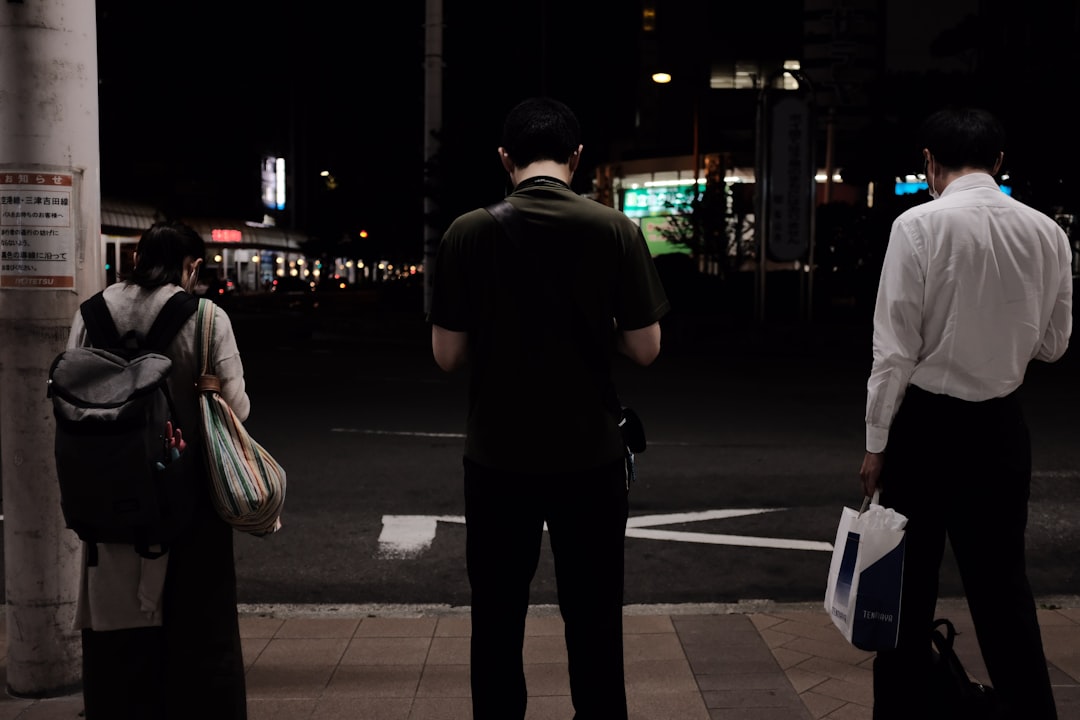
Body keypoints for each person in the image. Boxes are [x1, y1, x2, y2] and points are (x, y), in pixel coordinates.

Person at [428, 96, 670, 720]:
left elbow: (447, 355)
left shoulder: (468, 231)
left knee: (497, 619)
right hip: (589, 457)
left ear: (505, 158)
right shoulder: (616, 228)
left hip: (497, 458)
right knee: (593, 620)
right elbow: (646, 348)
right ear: (577, 157)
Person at [859, 106, 1071, 719]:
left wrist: (876, 442)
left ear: (929, 161)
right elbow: (1054, 345)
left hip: (925, 428)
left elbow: (893, 350)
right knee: (1004, 590)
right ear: (999, 162)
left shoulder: (918, 226)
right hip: (1002, 426)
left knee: (905, 592)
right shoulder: (1046, 232)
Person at [67, 220, 251, 719]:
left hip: (110, 492)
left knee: (116, 633)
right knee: (199, 630)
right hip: (189, 495)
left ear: (136, 258)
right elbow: (236, 407)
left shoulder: (91, 313)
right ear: (192, 267)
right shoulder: (207, 317)